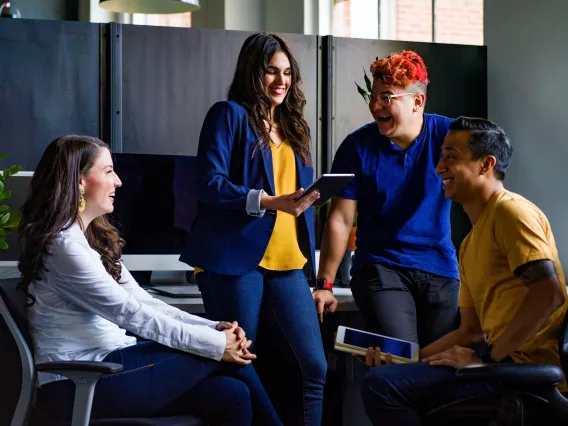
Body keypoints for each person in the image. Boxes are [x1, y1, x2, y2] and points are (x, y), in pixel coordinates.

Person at [18, 135, 282, 426]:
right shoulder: (63, 245)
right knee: (218, 353)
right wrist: (218, 343)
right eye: (108, 171)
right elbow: (129, 313)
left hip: (114, 367)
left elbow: (144, 301)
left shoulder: (91, 240)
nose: (118, 181)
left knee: (231, 395)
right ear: (79, 181)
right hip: (78, 383)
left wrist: (212, 328)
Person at [360, 117, 568, 426]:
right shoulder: (469, 243)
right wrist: (407, 360)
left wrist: (487, 359)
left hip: (523, 376)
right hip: (498, 367)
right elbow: (470, 332)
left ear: (486, 164)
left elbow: (548, 293)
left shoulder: (511, 211)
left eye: (451, 156)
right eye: (441, 155)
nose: (439, 167)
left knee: (383, 387)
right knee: (385, 376)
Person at [179, 33, 327, 426]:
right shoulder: (228, 115)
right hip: (234, 261)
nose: (281, 81)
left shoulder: (294, 127)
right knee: (239, 362)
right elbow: (208, 183)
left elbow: (291, 197)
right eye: (271, 72)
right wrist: (268, 200)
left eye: (287, 73)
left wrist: (308, 198)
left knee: (313, 367)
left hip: (288, 261)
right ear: (252, 72)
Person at [314, 50, 459, 347]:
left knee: (440, 367)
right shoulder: (357, 147)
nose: (375, 106)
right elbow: (340, 220)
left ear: (417, 102)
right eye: (374, 96)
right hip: (381, 268)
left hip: (440, 268)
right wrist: (324, 285)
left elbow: (487, 177)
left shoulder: (449, 136)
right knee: (402, 356)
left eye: (387, 97)